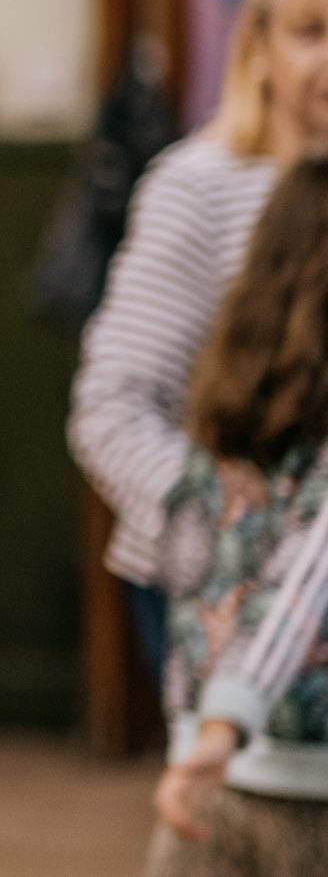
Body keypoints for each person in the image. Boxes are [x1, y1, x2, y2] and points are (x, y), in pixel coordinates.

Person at [69, 0, 328, 675]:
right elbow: (111, 408)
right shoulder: (201, 188)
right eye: (311, 31)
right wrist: (226, 532)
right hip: (219, 583)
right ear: (259, 49)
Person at [149, 154, 328, 874]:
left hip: (202, 777)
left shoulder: (221, 412)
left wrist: (205, 724)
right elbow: (305, 580)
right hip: (301, 785)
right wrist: (230, 720)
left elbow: (188, 567)